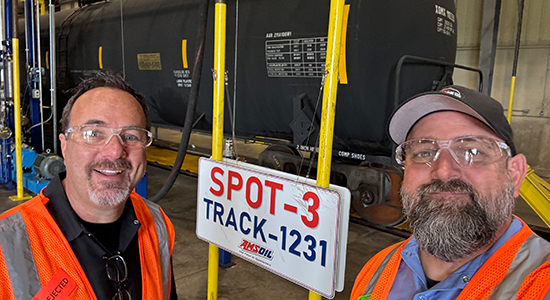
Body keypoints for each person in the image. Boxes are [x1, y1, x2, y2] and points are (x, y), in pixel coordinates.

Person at [350, 85, 550, 300]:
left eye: (472, 151)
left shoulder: (540, 283)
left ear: (514, 174)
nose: (443, 171)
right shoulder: (378, 268)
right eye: (424, 152)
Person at [0, 71, 177, 300]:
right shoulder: (7, 245)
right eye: (93, 133)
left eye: (131, 136)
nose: (115, 151)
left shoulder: (157, 223)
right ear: (64, 147)